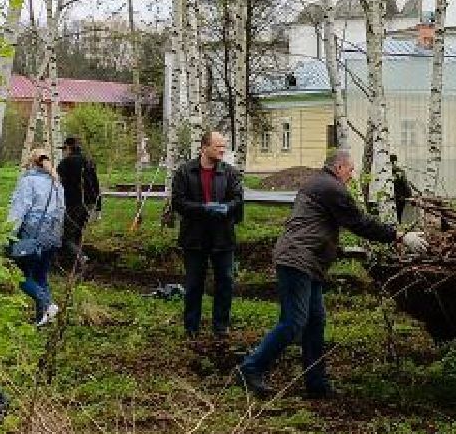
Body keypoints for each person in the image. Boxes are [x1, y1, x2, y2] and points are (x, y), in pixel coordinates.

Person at [238, 149, 425, 400]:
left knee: (315, 322)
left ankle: (316, 383)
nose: (352, 175)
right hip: (297, 260)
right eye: (350, 170)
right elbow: (359, 222)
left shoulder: (317, 183)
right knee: (294, 322)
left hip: (307, 261)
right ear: (338, 168)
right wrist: (399, 236)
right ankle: (251, 368)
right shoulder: (332, 188)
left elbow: (315, 223)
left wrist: (336, 248)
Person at [169, 130, 244, 339]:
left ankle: (221, 327)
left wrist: (226, 208)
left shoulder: (230, 173)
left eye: (224, 146)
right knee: (194, 283)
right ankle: (191, 328)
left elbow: (238, 199)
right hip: (194, 236)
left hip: (223, 236)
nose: (222, 150)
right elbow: (178, 202)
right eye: (218, 146)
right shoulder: (185, 172)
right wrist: (203, 208)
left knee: (225, 282)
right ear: (204, 148)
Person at [5, 150, 66, 326]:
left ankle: (48, 304)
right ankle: (42, 319)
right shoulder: (56, 183)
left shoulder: (28, 181)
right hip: (52, 235)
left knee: (20, 275)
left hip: (32, 235)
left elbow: (19, 210)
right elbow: (61, 210)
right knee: (41, 276)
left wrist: (8, 234)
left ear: (31, 162)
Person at [56, 136, 102, 271]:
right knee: (78, 233)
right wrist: (98, 205)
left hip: (73, 203)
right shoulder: (88, 161)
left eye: (64, 149)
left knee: (66, 237)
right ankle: (76, 265)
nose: (64, 152)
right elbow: (95, 184)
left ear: (69, 148)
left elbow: (57, 184)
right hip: (89, 203)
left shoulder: (65, 163)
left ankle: (82, 259)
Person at [390, 156, 416, 226]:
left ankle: (398, 224)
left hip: (400, 196)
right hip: (398, 196)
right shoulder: (397, 171)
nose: (393, 164)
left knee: (399, 212)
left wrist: (407, 196)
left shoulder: (399, 172)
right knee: (398, 213)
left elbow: (405, 184)